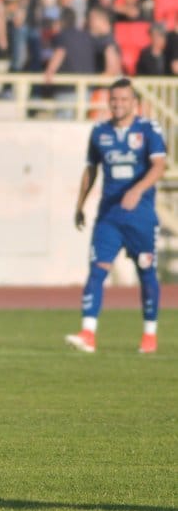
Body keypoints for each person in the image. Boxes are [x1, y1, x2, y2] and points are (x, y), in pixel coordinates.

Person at [65, 78, 168, 355]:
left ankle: (149, 334)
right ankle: (88, 333)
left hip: (141, 217)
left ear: (135, 103)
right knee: (97, 270)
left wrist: (137, 190)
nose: (118, 104)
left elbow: (159, 167)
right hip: (109, 216)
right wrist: (80, 205)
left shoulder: (148, 130)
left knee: (146, 271)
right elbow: (91, 170)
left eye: (124, 99)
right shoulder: (100, 132)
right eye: (114, 99)